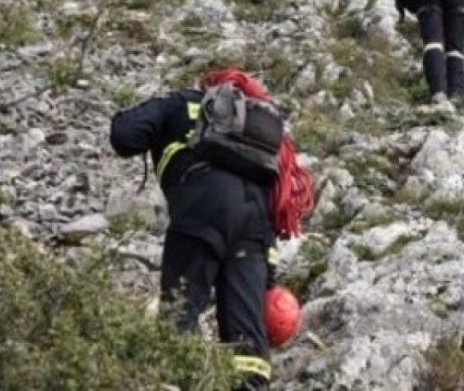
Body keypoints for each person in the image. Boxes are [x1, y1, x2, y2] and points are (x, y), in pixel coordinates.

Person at [110, 67, 312, 391]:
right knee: (248, 348)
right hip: (255, 224)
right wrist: (267, 279)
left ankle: (181, 379)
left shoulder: (180, 102)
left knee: (179, 318)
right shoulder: (253, 138)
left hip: (201, 210)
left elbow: (124, 136)